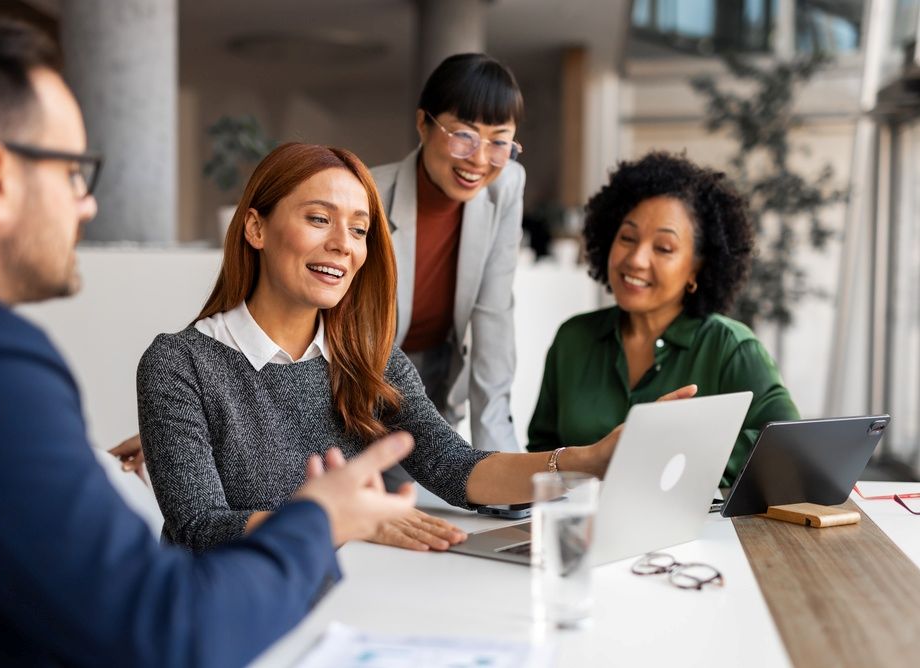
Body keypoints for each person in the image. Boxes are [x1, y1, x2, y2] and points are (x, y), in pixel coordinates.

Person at [0, 15, 418, 667]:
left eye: (358, 229)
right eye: (74, 171)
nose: (87, 204)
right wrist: (319, 522)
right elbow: (167, 629)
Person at [136, 141, 697, 554]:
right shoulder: (180, 363)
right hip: (225, 609)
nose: (342, 244)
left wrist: (588, 460)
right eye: (317, 219)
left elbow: (453, 467)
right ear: (255, 229)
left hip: (352, 596)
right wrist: (341, 519)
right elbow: (198, 526)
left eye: (359, 229)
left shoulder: (370, 359)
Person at [526, 152, 800, 486]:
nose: (637, 259)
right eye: (627, 238)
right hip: (581, 530)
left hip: (693, 533)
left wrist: (670, 459)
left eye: (664, 248)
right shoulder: (574, 338)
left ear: (697, 267)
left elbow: (787, 447)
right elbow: (541, 452)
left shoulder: (730, 347)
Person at [371, 53, 526, 458]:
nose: (479, 159)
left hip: (438, 370)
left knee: (437, 498)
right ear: (423, 123)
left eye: (499, 141)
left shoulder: (506, 184)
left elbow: (493, 314)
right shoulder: (366, 193)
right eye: (464, 134)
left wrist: (502, 465)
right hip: (362, 377)